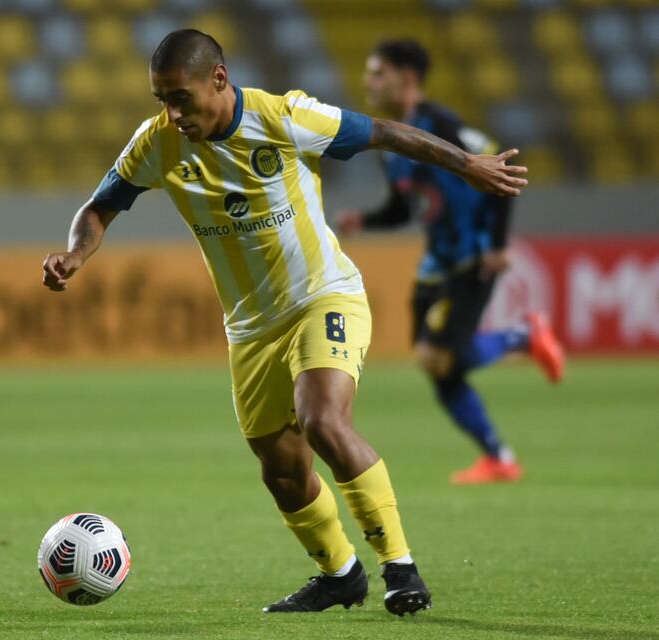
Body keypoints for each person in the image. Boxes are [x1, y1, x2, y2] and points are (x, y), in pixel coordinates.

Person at [42, 29, 527, 616]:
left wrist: (465, 164)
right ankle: (339, 574)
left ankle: (400, 568)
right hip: (250, 329)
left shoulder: (285, 117)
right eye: (160, 100)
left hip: (324, 298)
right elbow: (101, 205)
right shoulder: (158, 143)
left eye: (180, 97)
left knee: (323, 420)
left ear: (218, 79)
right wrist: (76, 253)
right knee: (282, 469)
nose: (171, 112)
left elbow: (384, 133)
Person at [335, 39, 565, 485]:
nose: (367, 81)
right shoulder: (393, 138)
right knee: (438, 366)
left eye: (376, 72)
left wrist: (497, 244)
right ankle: (498, 456)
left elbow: (500, 168)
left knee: (436, 357)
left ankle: (524, 334)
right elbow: (406, 208)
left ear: (406, 78)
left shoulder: (442, 125)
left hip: (472, 257)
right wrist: (364, 219)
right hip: (435, 264)